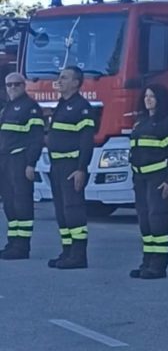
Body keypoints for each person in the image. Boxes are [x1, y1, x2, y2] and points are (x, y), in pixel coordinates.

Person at [129, 84, 168, 279]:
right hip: (140, 179)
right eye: (146, 96)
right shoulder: (140, 122)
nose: (148, 99)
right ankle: (147, 261)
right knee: (145, 221)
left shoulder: (166, 123)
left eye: (152, 96)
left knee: (157, 220)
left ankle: (159, 265)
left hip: (157, 179)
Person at [47, 66, 95, 269]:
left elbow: (86, 141)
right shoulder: (62, 104)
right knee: (61, 211)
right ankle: (66, 251)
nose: (60, 81)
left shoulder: (81, 107)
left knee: (73, 209)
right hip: (57, 165)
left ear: (76, 83)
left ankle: (78, 255)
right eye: (60, 77)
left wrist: (81, 168)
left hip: (71, 166)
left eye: (65, 78)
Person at [0, 73, 44, 259]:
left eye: (16, 84)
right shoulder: (6, 109)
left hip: (20, 160)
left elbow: (36, 139)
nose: (12, 88)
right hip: (5, 161)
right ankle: (12, 243)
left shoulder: (31, 108)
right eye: (8, 85)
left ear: (24, 86)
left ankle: (22, 246)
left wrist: (30, 164)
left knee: (22, 203)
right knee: (9, 204)